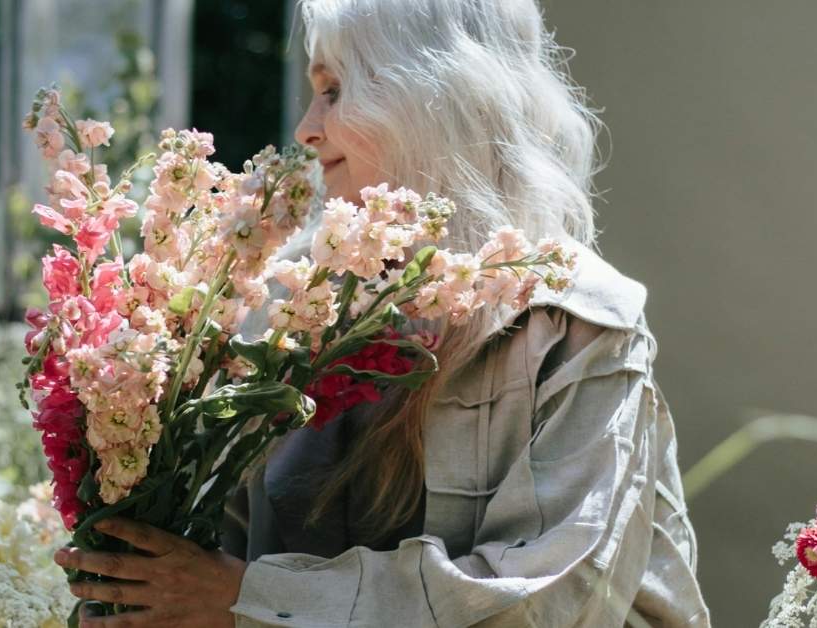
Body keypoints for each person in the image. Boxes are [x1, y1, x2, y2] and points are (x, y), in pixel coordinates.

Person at [54, 0, 711, 625]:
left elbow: (551, 601)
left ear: (432, 100)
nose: (306, 129)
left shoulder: (573, 322)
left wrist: (248, 603)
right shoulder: (297, 312)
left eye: (335, 89)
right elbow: (215, 553)